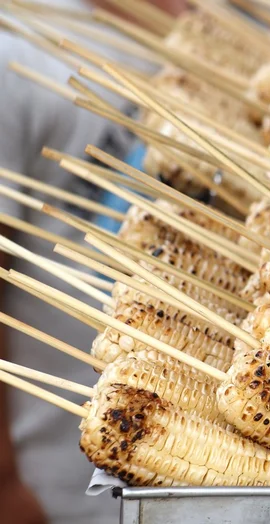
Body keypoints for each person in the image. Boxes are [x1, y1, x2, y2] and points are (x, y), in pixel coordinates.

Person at [0, 1, 185, 523]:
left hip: (194, 482)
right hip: (57, 491)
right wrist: (4, 487)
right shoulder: (17, 50)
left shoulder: (220, 32)